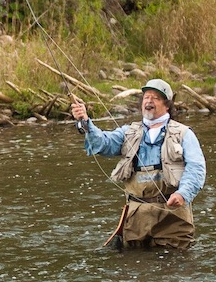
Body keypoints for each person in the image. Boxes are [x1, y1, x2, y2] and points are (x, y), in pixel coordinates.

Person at [71, 78, 206, 250]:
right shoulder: (128, 132)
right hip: (136, 217)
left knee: (176, 269)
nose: (148, 101)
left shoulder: (184, 134)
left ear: (167, 104)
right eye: (146, 97)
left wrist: (183, 194)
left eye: (155, 98)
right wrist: (85, 121)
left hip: (173, 216)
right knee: (135, 268)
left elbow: (196, 168)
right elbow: (103, 143)